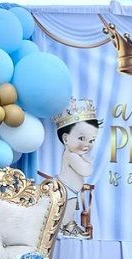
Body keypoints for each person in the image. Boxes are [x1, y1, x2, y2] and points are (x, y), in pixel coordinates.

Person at [53, 98, 101, 238]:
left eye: (91, 140)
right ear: (66, 139)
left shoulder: (74, 155)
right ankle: (67, 227)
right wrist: (89, 162)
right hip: (67, 189)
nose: (87, 144)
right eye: (81, 138)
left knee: (69, 210)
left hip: (72, 189)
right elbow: (86, 171)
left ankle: (68, 226)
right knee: (67, 211)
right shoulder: (71, 155)